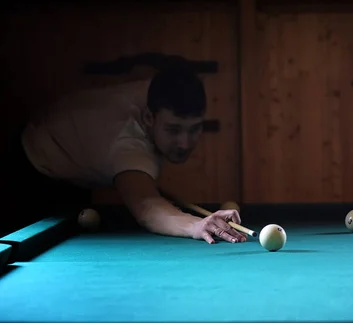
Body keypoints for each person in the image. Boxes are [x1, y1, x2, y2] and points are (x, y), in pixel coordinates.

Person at [2, 67, 246, 244]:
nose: (184, 143)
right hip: (30, 167)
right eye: (173, 130)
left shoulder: (163, 90)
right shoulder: (128, 144)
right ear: (150, 118)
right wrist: (196, 225)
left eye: (194, 129)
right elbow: (147, 207)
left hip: (74, 154)